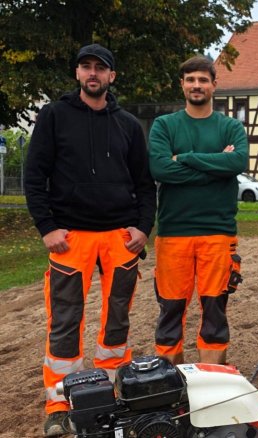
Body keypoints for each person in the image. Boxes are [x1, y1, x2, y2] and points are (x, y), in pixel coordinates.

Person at [24, 43, 156, 437]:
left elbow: (144, 184)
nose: (93, 73)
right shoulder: (54, 116)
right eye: (86, 67)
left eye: (101, 68)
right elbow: (34, 176)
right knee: (65, 321)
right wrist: (46, 227)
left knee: (118, 317)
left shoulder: (129, 125)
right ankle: (59, 404)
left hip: (119, 237)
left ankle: (113, 387)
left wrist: (142, 228)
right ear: (78, 74)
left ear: (112, 76)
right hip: (70, 237)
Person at [148, 55, 249, 366]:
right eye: (190, 79)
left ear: (214, 85)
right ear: (182, 84)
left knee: (215, 311)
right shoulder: (165, 125)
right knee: (171, 310)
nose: (196, 85)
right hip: (173, 233)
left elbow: (238, 162)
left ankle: (212, 377)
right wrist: (216, 165)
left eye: (203, 80)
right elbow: (161, 169)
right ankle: (169, 380)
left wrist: (185, 158)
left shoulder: (230, 126)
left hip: (218, 234)